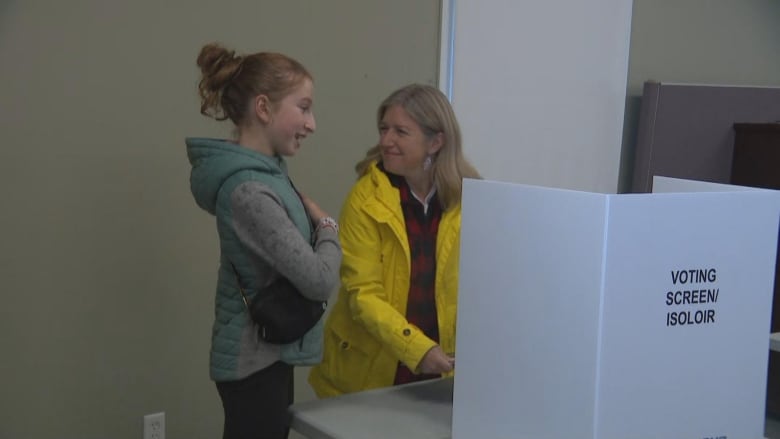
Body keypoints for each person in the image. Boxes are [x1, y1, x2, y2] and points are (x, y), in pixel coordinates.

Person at [185, 43, 342, 439]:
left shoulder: (267, 177)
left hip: (268, 355)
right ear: (264, 108)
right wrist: (327, 227)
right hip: (254, 363)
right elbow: (319, 279)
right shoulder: (250, 191)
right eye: (303, 108)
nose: (312, 124)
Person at [308, 83, 480, 397]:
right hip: (370, 373)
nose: (387, 141)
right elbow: (363, 294)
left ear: (436, 142)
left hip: (443, 371)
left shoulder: (472, 199)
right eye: (384, 129)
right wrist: (417, 349)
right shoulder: (366, 198)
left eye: (401, 132)